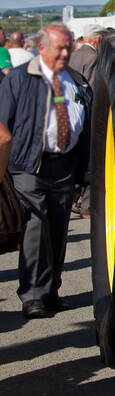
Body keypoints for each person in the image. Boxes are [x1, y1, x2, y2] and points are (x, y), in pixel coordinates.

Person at [0, 25, 92, 318]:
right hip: (28, 165)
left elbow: (85, 124)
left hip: (64, 166)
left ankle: (51, 291)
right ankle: (33, 294)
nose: (65, 53)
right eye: (59, 48)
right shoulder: (18, 79)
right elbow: (3, 123)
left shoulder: (76, 81)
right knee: (36, 227)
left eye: (68, 48)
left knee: (57, 229)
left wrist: (85, 172)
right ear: (41, 48)